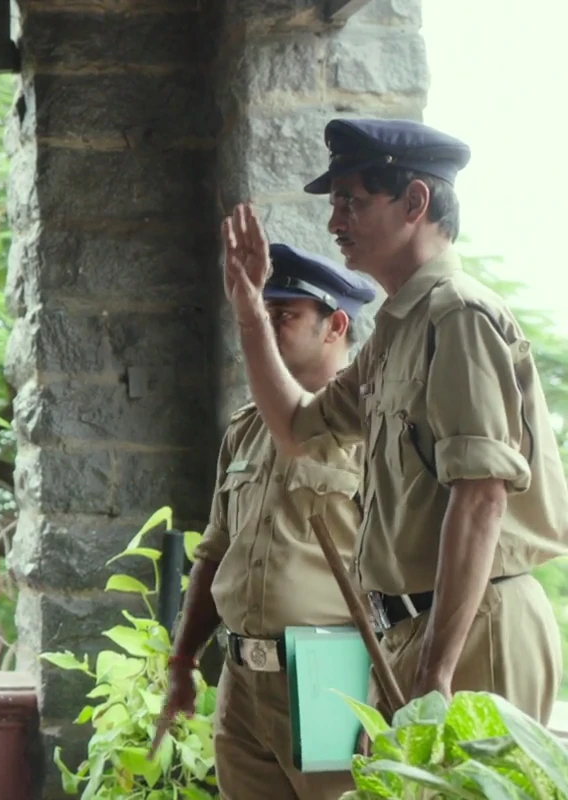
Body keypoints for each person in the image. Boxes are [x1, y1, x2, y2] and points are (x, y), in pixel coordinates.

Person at [226, 119, 568, 722]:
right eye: (335, 206)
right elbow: (299, 430)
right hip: (416, 631)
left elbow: (481, 495)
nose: (334, 223)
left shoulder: (457, 314)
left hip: (475, 632)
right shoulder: (398, 328)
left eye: (352, 203)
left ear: (415, 202)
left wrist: (435, 673)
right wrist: (251, 311)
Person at [155, 243, 374, 798]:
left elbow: (404, 571)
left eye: (283, 315)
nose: (264, 327)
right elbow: (215, 551)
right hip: (243, 680)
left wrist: (386, 691)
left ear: (335, 326)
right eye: (259, 312)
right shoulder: (246, 429)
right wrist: (183, 660)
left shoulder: (371, 430)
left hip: (332, 673)